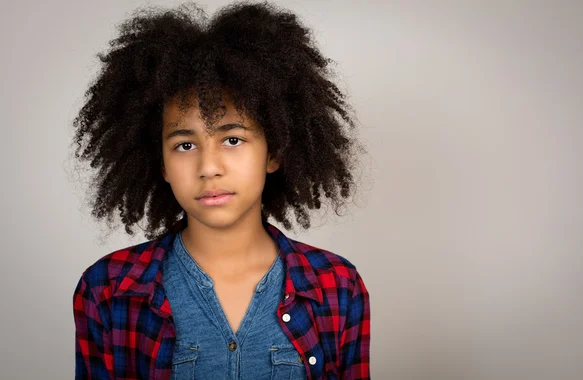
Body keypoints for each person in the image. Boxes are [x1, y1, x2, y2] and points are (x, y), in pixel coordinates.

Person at [71, 1, 370, 379]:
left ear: (273, 152)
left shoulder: (337, 286)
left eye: (232, 139)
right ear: (161, 163)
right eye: (185, 145)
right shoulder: (108, 288)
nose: (208, 167)